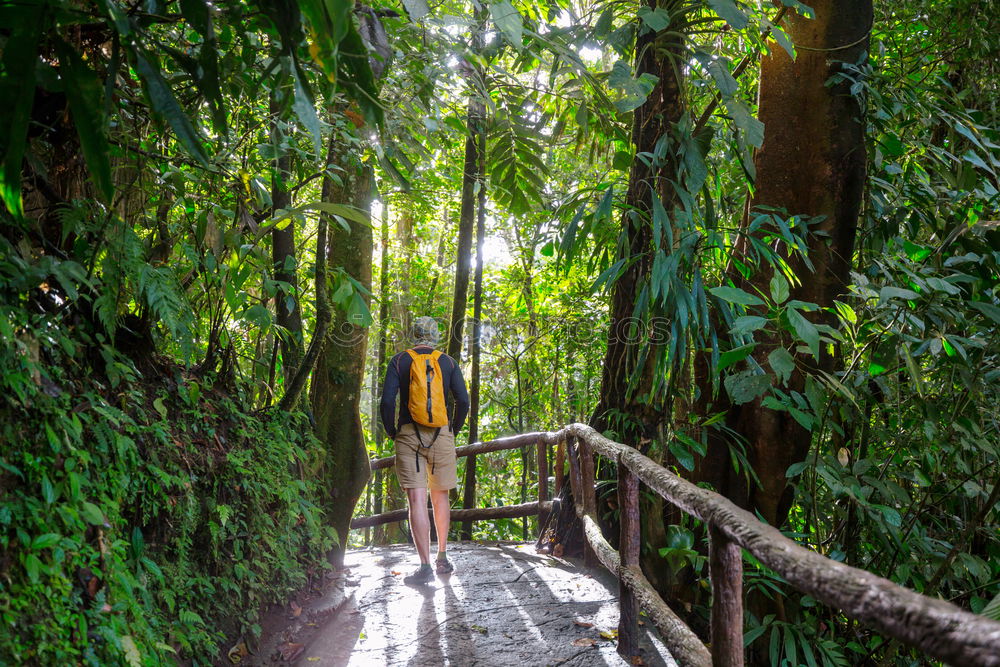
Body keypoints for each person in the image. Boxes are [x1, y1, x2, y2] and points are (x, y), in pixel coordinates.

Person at [380, 316, 469, 584]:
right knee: (440, 498)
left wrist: (392, 430)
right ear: (435, 336)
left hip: (408, 434)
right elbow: (462, 400)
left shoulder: (399, 360)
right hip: (442, 434)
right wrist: (453, 428)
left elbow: (387, 401)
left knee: (416, 500)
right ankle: (442, 556)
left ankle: (425, 566)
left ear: (413, 334)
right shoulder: (448, 362)